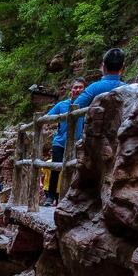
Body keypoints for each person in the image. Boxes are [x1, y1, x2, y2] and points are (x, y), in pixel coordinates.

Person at [43, 78, 85, 206]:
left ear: (84, 90)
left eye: (80, 87)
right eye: (75, 87)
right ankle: (50, 197)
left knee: (76, 169)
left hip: (77, 143)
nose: (77, 90)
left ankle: (70, 197)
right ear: (71, 90)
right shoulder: (62, 105)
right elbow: (47, 118)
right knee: (55, 169)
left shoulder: (87, 104)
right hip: (60, 142)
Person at [73, 47, 126, 142]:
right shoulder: (128, 89)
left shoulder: (94, 88)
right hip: (120, 139)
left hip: (96, 140)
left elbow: (75, 107)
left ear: (103, 66)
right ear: (123, 67)